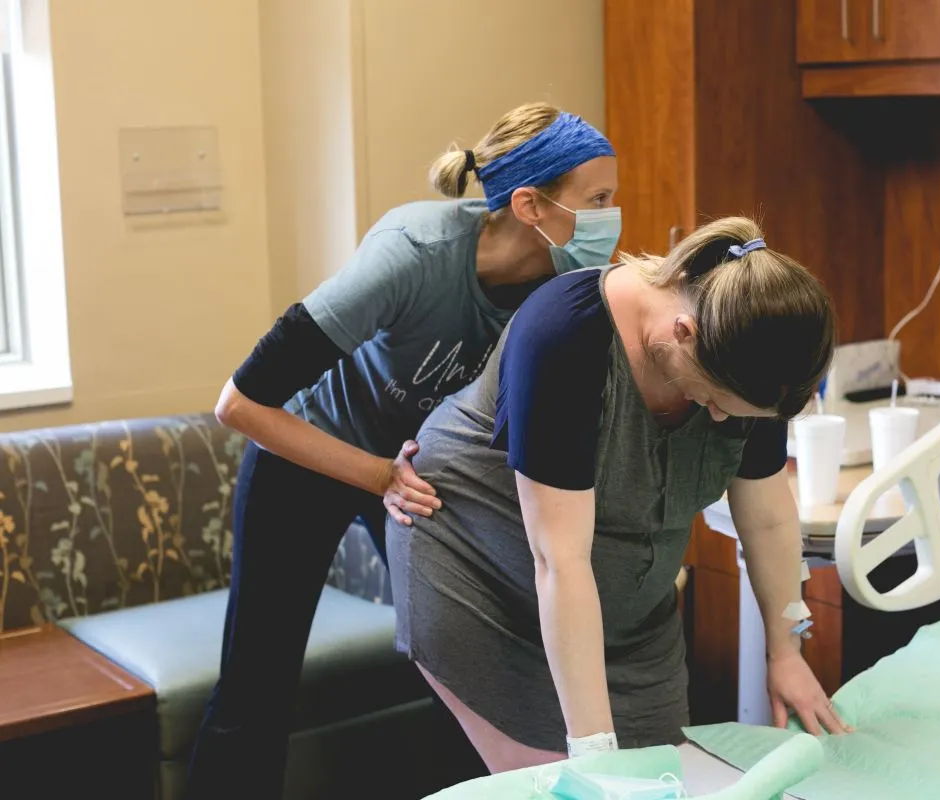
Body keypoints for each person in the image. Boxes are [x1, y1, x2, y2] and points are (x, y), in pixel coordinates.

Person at [186, 102, 620, 799]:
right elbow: (238, 404)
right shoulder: (413, 256)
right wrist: (380, 475)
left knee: (468, 675)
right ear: (530, 204)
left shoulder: (561, 287)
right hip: (305, 453)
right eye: (597, 200)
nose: (611, 216)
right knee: (256, 687)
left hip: (416, 472)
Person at [386, 216, 851, 776]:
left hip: (628, 614)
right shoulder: (566, 336)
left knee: (667, 777)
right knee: (568, 780)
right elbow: (560, 560)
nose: (723, 421)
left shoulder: (757, 355)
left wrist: (786, 651)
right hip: (485, 577)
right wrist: (595, 754)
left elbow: (771, 520)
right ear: (684, 333)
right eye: (717, 401)